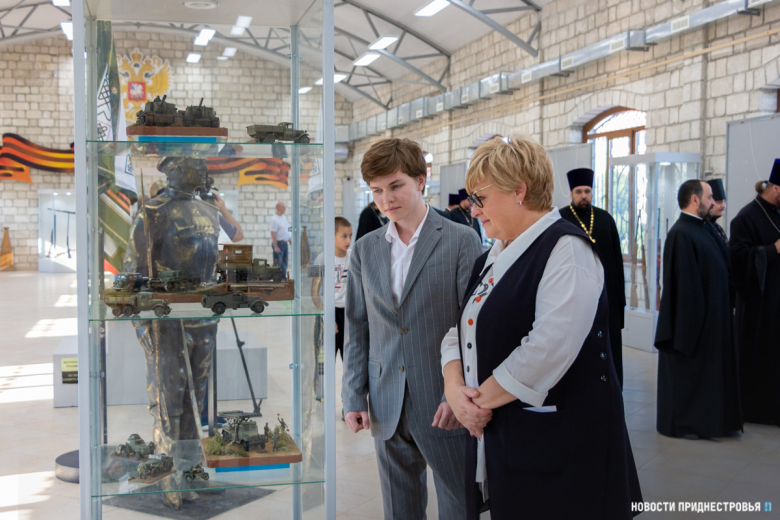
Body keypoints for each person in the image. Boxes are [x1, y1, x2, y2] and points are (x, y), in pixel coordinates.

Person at [441, 135, 641, 520]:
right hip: (509, 438)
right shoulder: (492, 256)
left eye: (481, 197)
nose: (475, 209)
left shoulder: (568, 250)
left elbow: (548, 348)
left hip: (562, 443)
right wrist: (453, 390)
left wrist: (473, 404)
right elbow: (460, 330)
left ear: (519, 191)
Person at [342, 138, 483, 520]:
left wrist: (458, 394)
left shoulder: (461, 240)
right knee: (399, 509)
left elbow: (471, 327)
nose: (385, 199)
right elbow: (357, 325)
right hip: (386, 400)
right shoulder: (365, 249)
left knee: (459, 503)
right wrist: (353, 394)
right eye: (376, 190)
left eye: (395, 186)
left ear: (422, 180)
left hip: (443, 400)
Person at [654, 180, 742, 439]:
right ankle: (689, 424)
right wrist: (694, 327)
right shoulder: (682, 233)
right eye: (709, 197)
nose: (713, 202)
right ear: (695, 199)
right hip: (697, 325)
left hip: (714, 318)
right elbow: (685, 288)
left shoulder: (703, 229)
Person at [559, 168, 627, 387]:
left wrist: (620, 303)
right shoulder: (560, 219)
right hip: (573, 296)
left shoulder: (606, 219)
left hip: (606, 296)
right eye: (579, 191)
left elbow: (617, 264)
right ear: (571, 193)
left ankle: (612, 388)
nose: (583, 196)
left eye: (587, 191)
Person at [730, 161, 780, 427]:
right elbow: (737, 260)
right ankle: (757, 411)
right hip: (760, 307)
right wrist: (773, 250)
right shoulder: (746, 217)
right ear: (776, 188)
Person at [312, 217, 352, 403]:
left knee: (350, 362)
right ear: (332, 236)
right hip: (327, 314)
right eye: (344, 236)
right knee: (323, 359)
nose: (348, 240)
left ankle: (349, 403)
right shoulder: (321, 258)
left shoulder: (354, 257)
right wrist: (327, 318)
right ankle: (321, 397)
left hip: (348, 315)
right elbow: (313, 294)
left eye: (350, 235)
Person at [270, 201, 291, 278]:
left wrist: (289, 239)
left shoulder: (284, 218)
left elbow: (286, 230)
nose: (285, 209)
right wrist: (275, 246)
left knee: (284, 263)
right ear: (278, 208)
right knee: (278, 263)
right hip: (279, 244)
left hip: (285, 243)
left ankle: (283, 278)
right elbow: (273, 233)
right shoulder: (274, 219)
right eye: (283, 207)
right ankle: (277, 279)